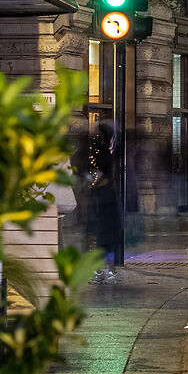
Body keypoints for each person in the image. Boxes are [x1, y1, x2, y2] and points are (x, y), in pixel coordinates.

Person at [76, 116, 124, 284]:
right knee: (106, 236)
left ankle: (98, 270)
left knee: (96, 236)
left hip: (97, 199)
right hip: (105, 199)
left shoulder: (91, 150)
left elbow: (82, 169)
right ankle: (107, 270)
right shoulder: (104, 150)